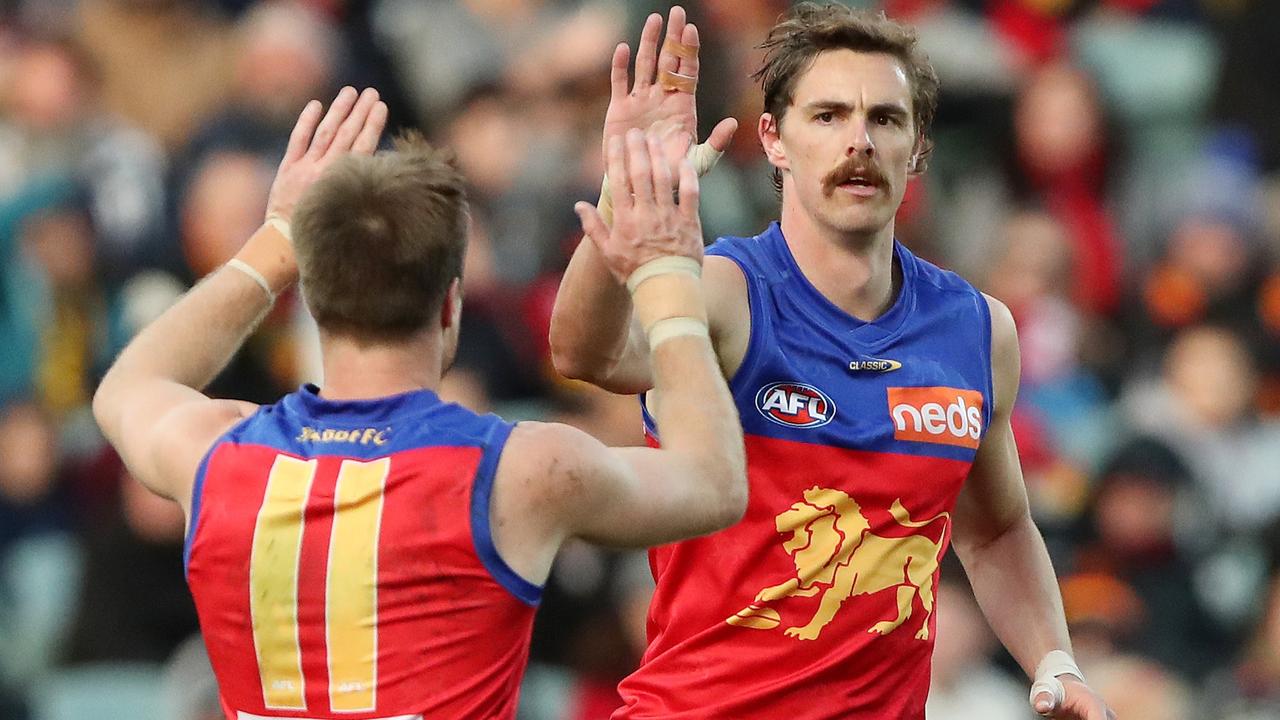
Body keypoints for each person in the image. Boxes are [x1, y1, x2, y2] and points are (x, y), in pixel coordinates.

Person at [92, 86, 747, 719]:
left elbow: (127, 386)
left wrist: (277, 241)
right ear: (450, 307)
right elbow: (714, 484)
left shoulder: (215, 455)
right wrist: (664, 270)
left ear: (312, 301)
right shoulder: (519, 473)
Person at [552, 4, 1114, 719]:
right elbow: (583, 353)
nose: (859, 141)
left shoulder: (977, 330)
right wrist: (627, 195)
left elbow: (996, 530)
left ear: (918, 150)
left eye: (885, 118)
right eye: (827, 116)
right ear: (773, 139)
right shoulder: (728, 291)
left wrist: (1057, 662)